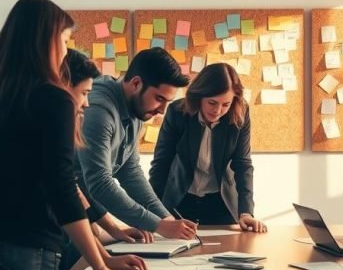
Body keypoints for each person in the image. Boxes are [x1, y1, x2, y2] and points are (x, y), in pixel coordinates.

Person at [0, 0, 146, 270]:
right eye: (65, 40)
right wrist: (102, 268)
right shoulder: (52, 98)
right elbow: (61, 187)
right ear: (47, 40)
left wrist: (105, 256)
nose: (64, 50)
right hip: (26, 249)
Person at [76, 47, 198, 239]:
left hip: (84, 209)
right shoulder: (100, 112)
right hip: (53, 215)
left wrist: (166, 219)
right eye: (159, 99)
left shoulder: (137, 110)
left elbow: (129, 170)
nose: (162, 110)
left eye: (168, 101)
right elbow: (100, 182)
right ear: (135, 83)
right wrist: (156, 224)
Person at [148, 63, 266, 232]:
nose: (218, 110)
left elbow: (243, 164)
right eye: (212, 102)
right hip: (180, 201)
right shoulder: (177, 112)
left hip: (221, 202)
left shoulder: (240, 113)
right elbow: (161, 164)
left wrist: (246, 212)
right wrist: (153, 214)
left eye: (226, 104)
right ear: (199, 96)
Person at [64, 49, 152, 244]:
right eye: (84, 93)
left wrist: (112, 229)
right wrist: (103, 264)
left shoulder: (134, 115)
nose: (86, 103)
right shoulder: (98, 112)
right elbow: (89, 185)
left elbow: (70, 186)